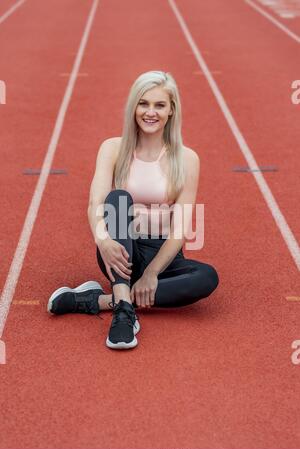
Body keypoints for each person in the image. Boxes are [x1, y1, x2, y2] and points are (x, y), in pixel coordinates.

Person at [47, 70, 219, 350]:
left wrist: (152, 273)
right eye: (143, 103)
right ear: (133, 107)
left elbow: (181, 229)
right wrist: (103, 241)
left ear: (171, 110)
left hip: (164, 256)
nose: (150, 112)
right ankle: (124, 316)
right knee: (117, 198)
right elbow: (96, 203)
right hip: (120, 251)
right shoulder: (113, 148)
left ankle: (100, 300)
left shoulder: (187, 159)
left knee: (207, 278)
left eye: (159, 105)